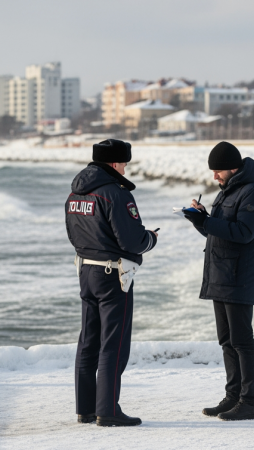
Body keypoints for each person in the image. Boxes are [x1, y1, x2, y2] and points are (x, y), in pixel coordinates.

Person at [65, 139, 158, 427]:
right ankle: (108, 411)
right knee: (113, 343)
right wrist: (151, 238)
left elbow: (74, 234)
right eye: (125, 164)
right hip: (113, 274)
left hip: (85, 270)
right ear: (115, 163)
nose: (126, 169)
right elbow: (131, 240)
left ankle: (85, 409)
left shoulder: (74, 193)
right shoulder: (115, 194)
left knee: (88, 341)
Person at [182, 141, 254, 421]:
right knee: (227, 341)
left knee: (242, 341)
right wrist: (200, 220)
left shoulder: (253, 192)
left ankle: (249, 402)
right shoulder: (228, 191)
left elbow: (244, 232)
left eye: (218, 171)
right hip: (221, 275)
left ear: (233, 167)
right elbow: (220, 233)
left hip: (239, 277)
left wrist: (206, 221)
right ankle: (233, 397)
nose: (214, 177)